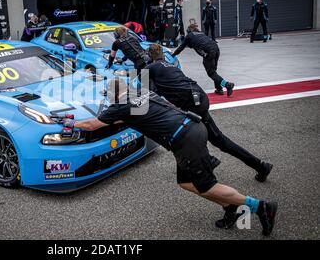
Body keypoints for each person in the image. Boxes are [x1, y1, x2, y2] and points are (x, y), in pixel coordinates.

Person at [62, 78, 278, 236]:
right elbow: (129, 118)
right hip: (192, 128)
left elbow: (93, 124)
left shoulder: (121, 104)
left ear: (112, 94)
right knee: (186, 183)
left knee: (207, 186)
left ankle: (261, 207)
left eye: (107, 96)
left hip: (185, 140)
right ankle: (230, 207)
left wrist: (71, 124)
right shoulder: (142, 93)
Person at [146, 44, 273, 226]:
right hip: (199, 98)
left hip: (193, 106)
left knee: (210, 140)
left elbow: (142, 94)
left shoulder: (151, 67)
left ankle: (258, 167)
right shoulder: (170, 65)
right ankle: (253, 167)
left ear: (150, 57)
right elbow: (158, 90)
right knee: (206, 138)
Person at [172, 23, 234, 96]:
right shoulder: (201, 33)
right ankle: (219, 89)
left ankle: (227, 85)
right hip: (216, 48)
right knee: (214, 71)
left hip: (208, 52)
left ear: (189, 31)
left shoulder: (189, 35)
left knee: (211, 73)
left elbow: (181, 47)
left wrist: (173, 54)